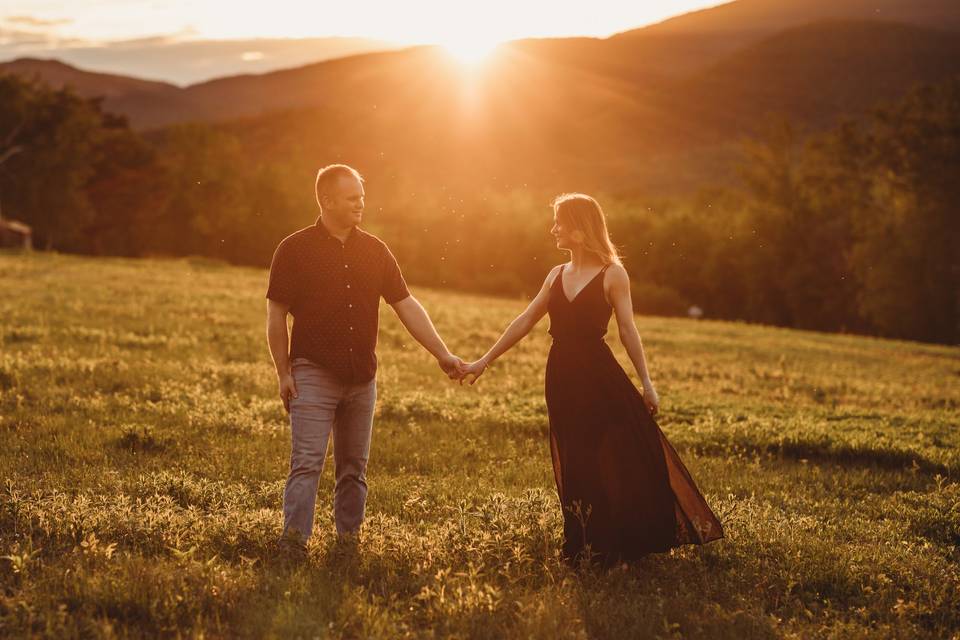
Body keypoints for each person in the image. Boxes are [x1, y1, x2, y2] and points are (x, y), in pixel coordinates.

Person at [459, 193, 723, 566]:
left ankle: (607, 545)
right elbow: (524, 321)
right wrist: (483, 360)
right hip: (561, 375)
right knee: (573, 455)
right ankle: (582, 543)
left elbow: (628, 330)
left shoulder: (613, 274)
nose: (553, 229)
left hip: (598, 376)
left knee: (608, 455)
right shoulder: (555, 275)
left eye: (559, 222)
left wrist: (647, 383)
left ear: (580, 230)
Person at [266, 164, 463, 555]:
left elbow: (406, 306)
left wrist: (442, 354)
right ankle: (292, 546)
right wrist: (283, 373)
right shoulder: (294, 249)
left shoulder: (376, 251)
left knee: (354, 469)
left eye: (362, 196)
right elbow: (275, 316)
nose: (361, 204)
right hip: (312, 373)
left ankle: (348, 545)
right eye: (352, 198)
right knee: (307, 463)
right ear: (327, 200)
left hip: (362, 379)